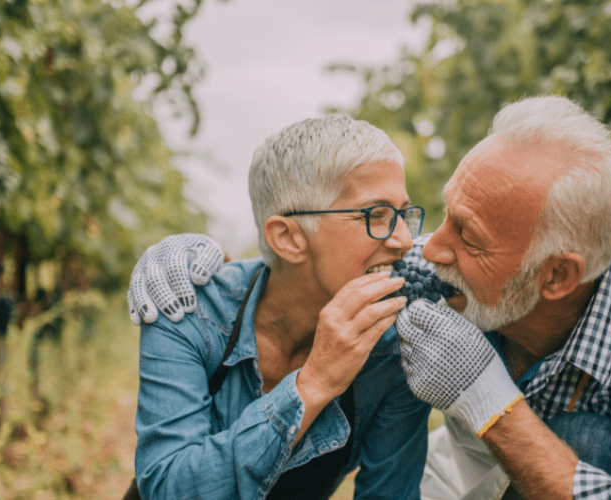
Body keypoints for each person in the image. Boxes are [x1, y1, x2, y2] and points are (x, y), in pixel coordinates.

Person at [128, 96, 611, 499]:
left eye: (466, 236)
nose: (422, 246)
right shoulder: (416, 277)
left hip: (563, 473)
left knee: (591, 437)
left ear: (554, 277)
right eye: (440, 215)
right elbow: (300, 256)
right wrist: (177, 258)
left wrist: (489, 399)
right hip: (462, 480)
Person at [130, 115, 432, 500]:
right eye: (375, 216)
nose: (404, 240)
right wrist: (313, 384)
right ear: (287, 238)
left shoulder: (394, 353)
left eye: (404, 214)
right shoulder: (188, 311)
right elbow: (168, 487)